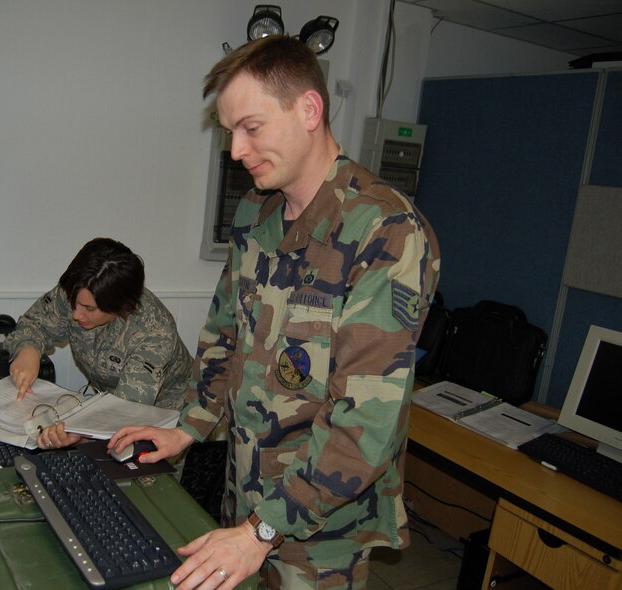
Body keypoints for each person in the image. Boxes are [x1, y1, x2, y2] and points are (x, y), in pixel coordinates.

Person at [109, 36, 440, 590]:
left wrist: (263, 532)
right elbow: (224, 337)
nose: (236, 150)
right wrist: (186, 429)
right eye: (229, 132)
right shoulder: (255, 211)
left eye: (251, 127)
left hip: (319, 525)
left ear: (309, 110)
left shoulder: (385, 231)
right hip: (247, 488)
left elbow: (366, 420)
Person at [5, 237, 192, 450]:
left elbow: (127, 409)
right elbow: (35, 323)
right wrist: (27, 350)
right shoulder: (80, 289)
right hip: (107, 403)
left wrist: (81, 434)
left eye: (89, 309)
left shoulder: (154, 331)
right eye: (74, 302)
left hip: (164, 414)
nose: (76, 314)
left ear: (119, 306)